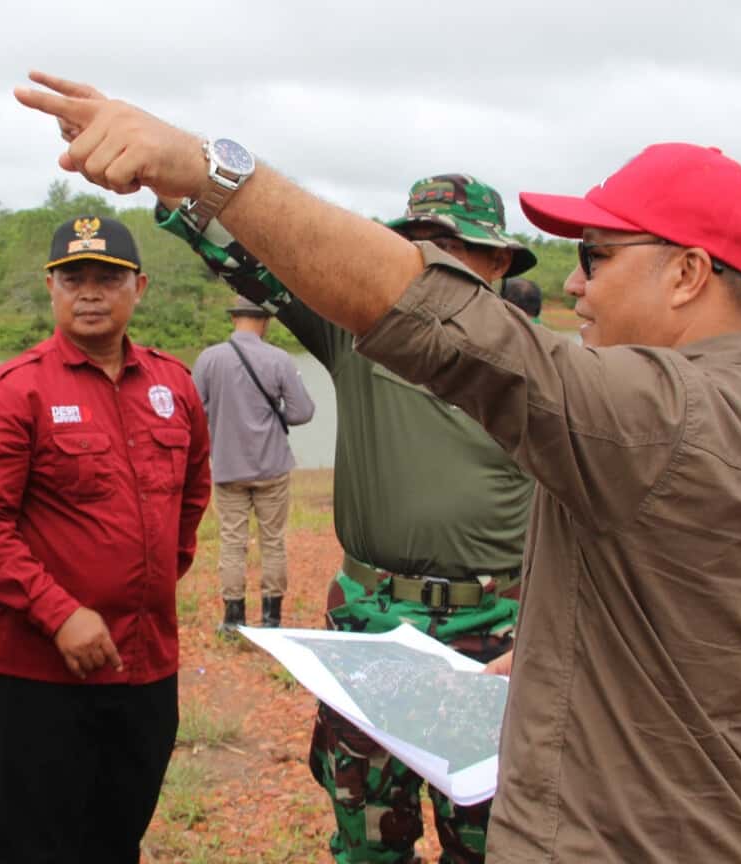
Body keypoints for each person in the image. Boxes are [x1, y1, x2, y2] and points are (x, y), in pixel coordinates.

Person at [16, 74, 741, 864]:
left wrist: (206, 165)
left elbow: (431, 313)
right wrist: (552, 656)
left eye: (595, 255)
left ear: (686, 273)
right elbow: (657, 613)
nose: (575, 282)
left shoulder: (650, 415)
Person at [159, 173, 537, 863]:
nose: (433, 264)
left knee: (491, 840)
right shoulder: (360, 336)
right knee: (366, 835)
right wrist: (179, 180)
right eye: (417, 246)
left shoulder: (541, 367)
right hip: (373, 627)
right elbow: (256, 257)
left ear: (500, 261)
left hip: (495, 640)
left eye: (452, 247)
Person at [0, 214, 211, 863]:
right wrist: (59, 612)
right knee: (35, 844)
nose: (90, 292)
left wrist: (147, 584)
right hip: (40, 677)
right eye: (74, 279)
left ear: (139, 287)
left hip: (146, 668)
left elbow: (193, 490)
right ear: (51, 288)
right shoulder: (18, 390)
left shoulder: (172, 386)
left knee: (117, 836)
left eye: (106, 278)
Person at [192, 295, 315, 631]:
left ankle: (233, 620)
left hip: (229, 466)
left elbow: (193, 413)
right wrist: (276, 415)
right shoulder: (280, 359)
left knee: (232, 542)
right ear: (265, 321)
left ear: (235, 319)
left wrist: (220, 424)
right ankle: (272, 618)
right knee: (272, 541)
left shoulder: (208, 359)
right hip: (272, 466)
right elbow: (303, 411)